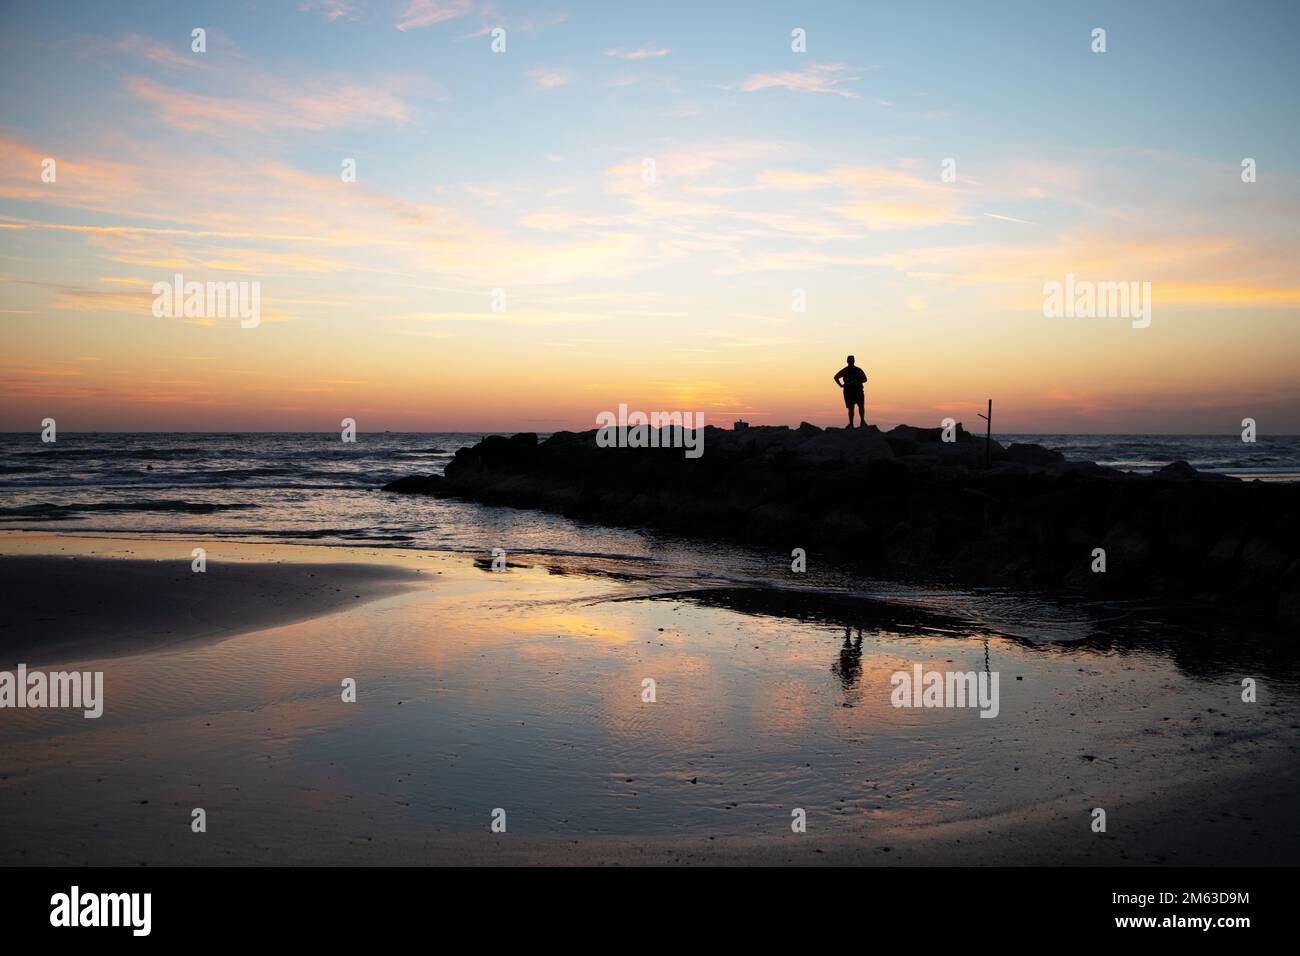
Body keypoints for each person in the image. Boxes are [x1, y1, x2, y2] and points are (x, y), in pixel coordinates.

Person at [833, 355, 868, 427]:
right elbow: (865, 379)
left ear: (847, 361)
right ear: (853, 361)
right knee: (858, 406)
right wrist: (842, 385)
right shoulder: (857, 370)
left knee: (853, 407)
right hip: (854, 390)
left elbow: (836, 377)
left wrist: (841, 385)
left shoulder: (846, 370)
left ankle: (855, 423)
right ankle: (860, 421)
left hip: (851, 390)